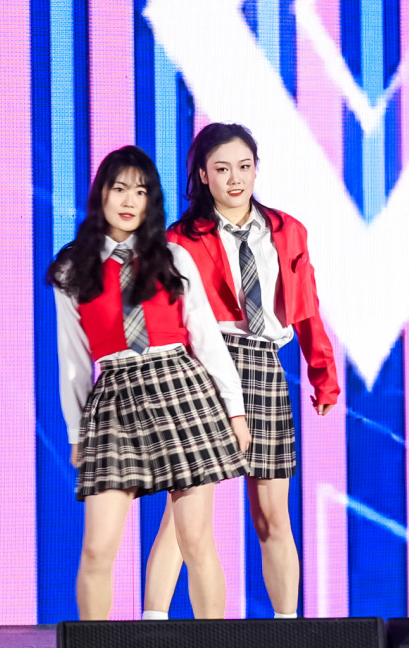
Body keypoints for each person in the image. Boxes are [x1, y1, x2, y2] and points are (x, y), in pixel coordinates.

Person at [48, 145, 251, 620]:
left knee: (195, 539)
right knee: (97, 548)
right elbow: (73, 360)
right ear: (101, 194)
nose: (128, 201)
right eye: (119, 189)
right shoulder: (71, 268)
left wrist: (236, 410)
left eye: (140, 192)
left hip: (180, 387)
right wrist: (77, 433)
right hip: (115, 396)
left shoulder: (173, 257)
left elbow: (206, 338)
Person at [144, 123, 338, 619]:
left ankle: (288, 630)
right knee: (184, 514)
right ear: (203, 175)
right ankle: (152, 628)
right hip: (202, 366)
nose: (235, 179)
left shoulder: (288, 231)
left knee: (273, 514)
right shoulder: (179, 239)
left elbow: (307, 307)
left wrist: (323, 375)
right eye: (222, 169)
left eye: (244, 167)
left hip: (263, 362)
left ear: (256, 169)